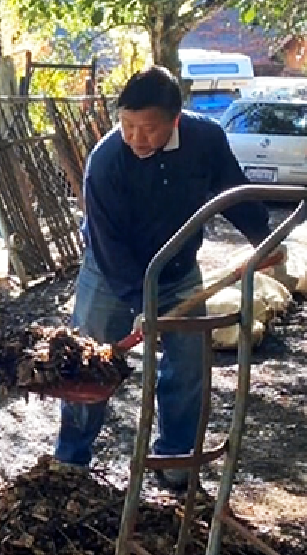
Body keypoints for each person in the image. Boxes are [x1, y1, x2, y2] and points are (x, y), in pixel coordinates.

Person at [54, 66, 272, 487]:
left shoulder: (205, 139)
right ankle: (72, 457)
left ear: (175, 119)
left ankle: (174, 457)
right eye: (127, 126)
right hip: (110, 274)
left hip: (178, 271)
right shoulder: (106, 161)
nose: (136, 138)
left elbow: (233, 191)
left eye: (148, 128)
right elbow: (108, 243)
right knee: (90, 362)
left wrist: (263, 237)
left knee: (189, 367)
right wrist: (141, 304)